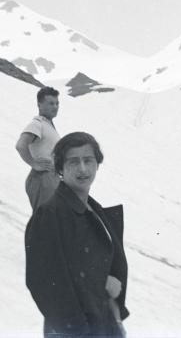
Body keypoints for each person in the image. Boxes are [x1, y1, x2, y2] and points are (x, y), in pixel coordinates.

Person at [24, 132, 129, 337]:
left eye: (88, 160)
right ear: (60, 168)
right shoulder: (50, 214)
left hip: (103, 322)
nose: (83, 169)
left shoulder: (93, 210)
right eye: (73, 162)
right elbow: (44, 281)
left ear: (97, 164)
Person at [16, 86, 61, 210]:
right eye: (51, 103)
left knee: (54, 220)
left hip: (50, 178)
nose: (55, 107)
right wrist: (34, 163)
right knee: (47, 220)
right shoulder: (37, 124)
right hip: (42, 179)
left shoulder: (48, 125)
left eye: (57, 103)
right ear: (39, 105)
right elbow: (20, 145)